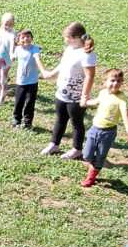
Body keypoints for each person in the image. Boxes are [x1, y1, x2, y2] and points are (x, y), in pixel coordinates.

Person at [39, 22, 97, 160]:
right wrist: (51, 73)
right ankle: (54, 144)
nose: (65, 40)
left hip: (76, 96)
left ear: (76, 37)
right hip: (62, 92)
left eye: (67, 37)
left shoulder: (87, 54)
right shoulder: (69, 49)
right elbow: (62, 65)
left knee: (76, 123)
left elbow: (90, 76)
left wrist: (84, 96)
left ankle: (77, 149)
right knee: (60, 119)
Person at [80, 69, 128, 188]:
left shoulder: (121, 99)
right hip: (94, 129)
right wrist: (86, 102)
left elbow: (125, 115)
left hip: (108, 132)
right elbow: (96, 101)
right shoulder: (103, 93)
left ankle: (91, 176)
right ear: (105, 82)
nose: (115, 83)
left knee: (101, 156)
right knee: (86, 155)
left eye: (119, 81)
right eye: (112, 80)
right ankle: (94, 165)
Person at [10, 30, 45, 129]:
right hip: (20, 81)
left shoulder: (35, 49)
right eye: (23, 37)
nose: (26, 39)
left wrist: (42, 70)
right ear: (19, 40)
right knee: (19, 102)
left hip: (32, 81)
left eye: (28, 36)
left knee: (30, 102)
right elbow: (12, 57)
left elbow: (37, 57)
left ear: (32, 38)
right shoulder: (17, 49)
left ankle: (28, 122)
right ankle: (16, 119)